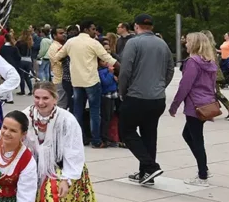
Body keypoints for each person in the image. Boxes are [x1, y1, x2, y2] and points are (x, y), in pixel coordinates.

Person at [23, 82, 101, 202]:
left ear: (55, 99)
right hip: (32, 167)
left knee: (52, 195)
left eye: (45, 98)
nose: (40, 102)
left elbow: (74, 151)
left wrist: (67, 179)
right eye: (37, 97)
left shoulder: (67, 119)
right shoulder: (25, 116)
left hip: (63, 167)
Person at [118, 14, 174, 185]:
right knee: (149, 134)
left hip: (136, 95)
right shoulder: (162, 43)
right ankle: (145, 173)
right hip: (157, 98)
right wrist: (160, 86)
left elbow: (126, 70)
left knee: (126, 131)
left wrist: (122, 91)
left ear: (136, 26)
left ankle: (150, 166)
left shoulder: (133, 43)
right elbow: (170, 69)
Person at [50, 20, 116, 149]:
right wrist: (120, 67)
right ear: (86, 29)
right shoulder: (93, 43)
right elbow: (107, 58)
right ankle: (96, 140)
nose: (95, 32)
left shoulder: (70, 42)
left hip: (76, 81)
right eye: (92, 29)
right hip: (91, 80)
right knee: (94, 111)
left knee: (78, 110)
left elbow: (57, 57)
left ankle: (78, 138)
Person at [170, 33, 219, 186]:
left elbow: (185, 85)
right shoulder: (210, 62)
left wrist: (174, 105)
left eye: (188, 41)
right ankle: (203, 167)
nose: (186, 44)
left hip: (195, 105)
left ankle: (202, 174)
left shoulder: (192, 62)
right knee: (189, 134)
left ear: (195, 44)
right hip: (206, 103)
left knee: (196, 138)